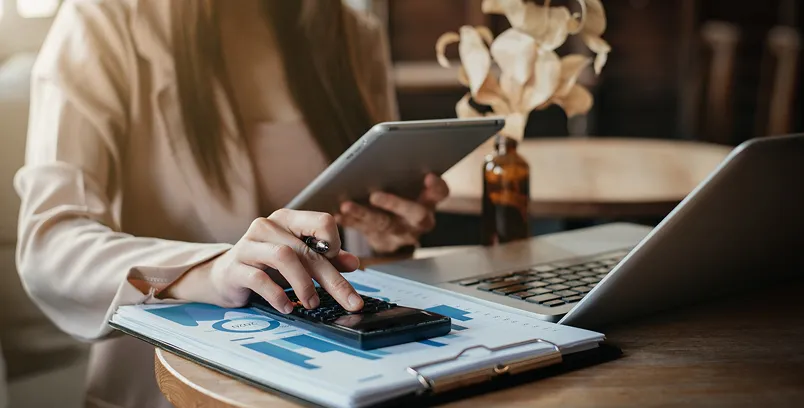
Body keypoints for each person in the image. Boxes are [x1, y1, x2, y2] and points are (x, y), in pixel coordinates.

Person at [14, 1, 449, 407]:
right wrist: (209, 270)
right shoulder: (103, 19)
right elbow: (50, 243)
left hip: (343, 380)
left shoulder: (351, 32)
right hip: (172, 387)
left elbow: (350, 247)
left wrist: (386, 239)